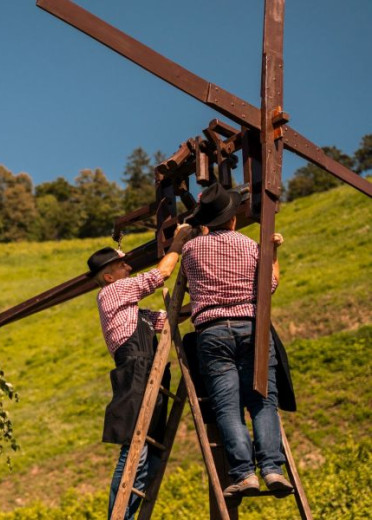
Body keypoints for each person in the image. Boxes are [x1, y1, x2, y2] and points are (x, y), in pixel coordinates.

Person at [181, 182, 293, 497]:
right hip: (252, 328)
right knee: (263, 400)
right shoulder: (249, 245)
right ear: (232, 219)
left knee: (227, 407)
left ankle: (244, 474)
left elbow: (190, 281)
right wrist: (274, 254)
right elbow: (269, 286)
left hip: (212, 331)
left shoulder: (191, 249)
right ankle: (272, 468)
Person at [88, 223, 191, 520]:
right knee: (135, 447)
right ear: (109, 277)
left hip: (147, 369)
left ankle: (128, 515)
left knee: (152, 452)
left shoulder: (132, 310)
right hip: (135, 368)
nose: (129, 268)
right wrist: (178, 244)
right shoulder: (114, 292)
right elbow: (160, 275)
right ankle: (118, 517)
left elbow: (167, 319)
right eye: (123, 266)